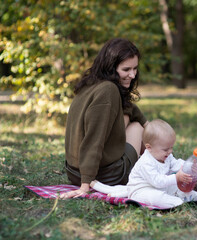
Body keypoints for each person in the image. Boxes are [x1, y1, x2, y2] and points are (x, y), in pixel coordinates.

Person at [60, 38, 148, 199]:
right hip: (103, 178)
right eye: (126, 69)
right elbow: (94, 138)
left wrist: (148, 123)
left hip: (74, 172)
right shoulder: (108, 90)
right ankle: (158, 168)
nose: (133, 74)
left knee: (134, 120)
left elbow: (128, 106)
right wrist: (85, 186)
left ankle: (160, 162)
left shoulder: (91, 84)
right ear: (111, 68)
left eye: (135, 68)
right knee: (137, 128)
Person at [90, 119, 197, 208]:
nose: (170, 152)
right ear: (149, 147)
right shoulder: (146, 163)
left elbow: (175, 163)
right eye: (166, 149)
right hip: (141, 190)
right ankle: (177, 202)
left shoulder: (165, 155)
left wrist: (189, 166)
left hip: (160, 186)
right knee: (156, 196)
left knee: (175, 187)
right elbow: (157, 181)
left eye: (171, 148)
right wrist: (176, 177)